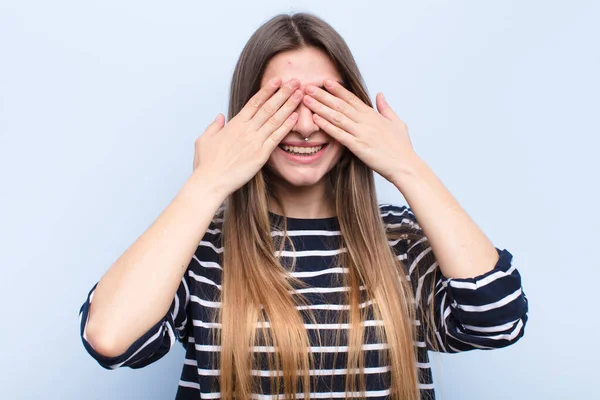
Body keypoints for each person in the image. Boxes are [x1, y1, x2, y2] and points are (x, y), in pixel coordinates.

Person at [78, 12, 529, 400]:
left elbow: (498, 321)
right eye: (283, 104)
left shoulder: (403, 241)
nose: (307, 127)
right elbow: (110, 338)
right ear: (246, 116)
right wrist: (207, 182)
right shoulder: (199, 248)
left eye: (325, 101)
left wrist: (406, 166)